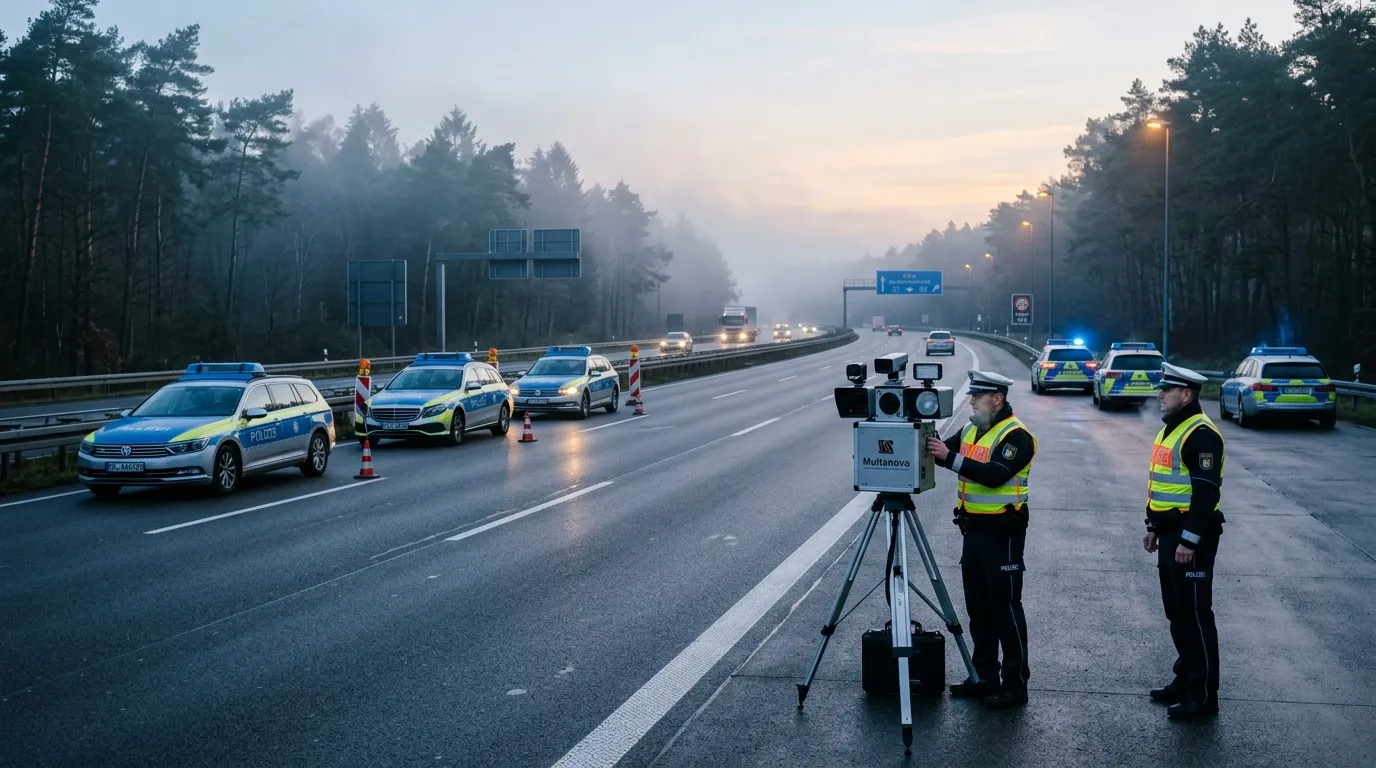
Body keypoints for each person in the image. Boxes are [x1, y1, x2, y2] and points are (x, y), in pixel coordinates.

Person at [925, 370, 1037, 709]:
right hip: (972, 529)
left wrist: (950, 457)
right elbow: (945, 453)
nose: (971, 401)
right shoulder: (974, 427)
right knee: (978, 609)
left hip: (1003, 531)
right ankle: (984, 676)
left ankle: (1015, 686)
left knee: (1005, 609)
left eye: (978, 395)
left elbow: (992, 475)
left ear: (998, 399)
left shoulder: (1018, 436)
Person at [1143, 362, 1224, 720]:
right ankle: (1185, 679)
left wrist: (1188, 541)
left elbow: (1205, 494)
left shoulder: (1201, 434)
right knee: (1177, 613)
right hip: (1172, 531)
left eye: (1167, 390)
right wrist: (1154, 526)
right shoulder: (1172, 429)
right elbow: (1166, 487)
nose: (1160, 394)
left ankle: (1203, 696)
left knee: (1194, 614)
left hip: (1193, 536)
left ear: (1186, 394)